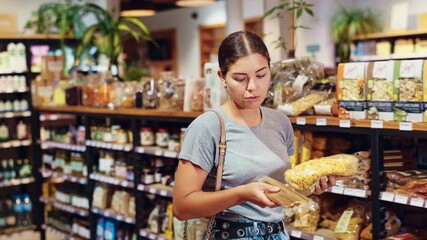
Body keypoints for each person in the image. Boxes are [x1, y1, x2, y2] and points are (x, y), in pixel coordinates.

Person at [173, 31, 336, 239]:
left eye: (261, 75)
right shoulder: (208, 127)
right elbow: (182, 206)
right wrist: (243, 194)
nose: (253, 87)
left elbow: (279, 190)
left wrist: (311, 187)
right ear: (222, 77)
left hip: (278, 233)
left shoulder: (280, 122)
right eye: (240, 79)